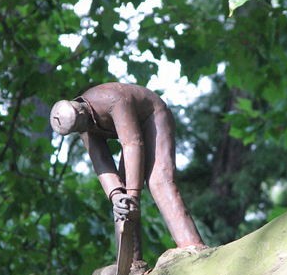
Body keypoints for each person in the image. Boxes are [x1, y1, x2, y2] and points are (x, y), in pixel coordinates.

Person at [50, 82, 204, 262]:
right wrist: (116, 195)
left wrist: (134, 195)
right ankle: (130, 263)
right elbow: (101, 161)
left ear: (81, 111)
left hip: (153, 117)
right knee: (122, 201)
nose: (84, 130)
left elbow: (132, 143)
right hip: (131, 137)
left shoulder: (112, 99)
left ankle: (192, 246)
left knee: (159, 180)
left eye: (82, 125)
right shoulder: (81, 124)